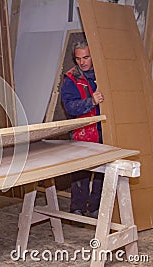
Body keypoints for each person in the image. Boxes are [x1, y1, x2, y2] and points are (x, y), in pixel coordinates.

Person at [61, 40, 104, 219]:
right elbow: (70, 107)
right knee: (80, 172)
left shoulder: (104, 74)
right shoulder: (71, 78)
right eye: (78, 58)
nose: (82, 62)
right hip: (82, 131)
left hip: (103, 129)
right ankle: (77, 208)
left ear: (93, 55)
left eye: (86, 57)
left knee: (102, 171)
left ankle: (96, 208)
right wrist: (91, 101)